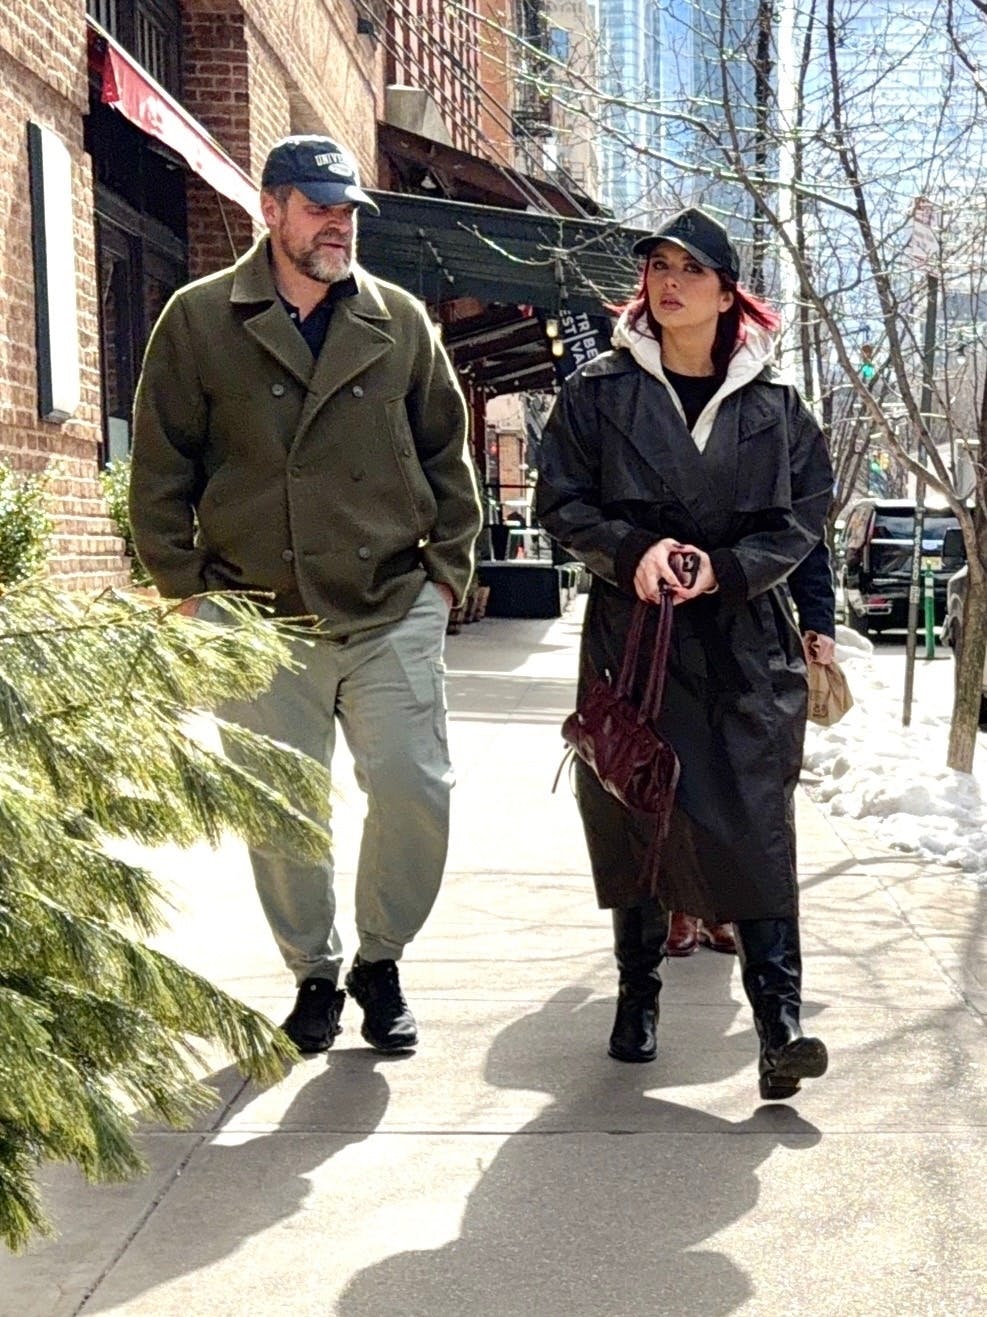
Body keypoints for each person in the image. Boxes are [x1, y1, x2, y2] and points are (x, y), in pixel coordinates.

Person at [130, 135, 482, 1056]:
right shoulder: (199, 318)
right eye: (321, 206)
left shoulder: (399, 320)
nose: (339, 224)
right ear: (271, 208)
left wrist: (444, 577)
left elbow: (449, 455)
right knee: (281, 809)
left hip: (387, 602)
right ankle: (315, 975)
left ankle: (382, 959)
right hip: (256, 614)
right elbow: (160, 465)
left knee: (415, 784)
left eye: (349, 210)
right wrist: (185, 592)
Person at [535, 207, 834, 1101]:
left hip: (744, 640)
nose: (669, 284)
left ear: (726, 291)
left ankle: (779, 1023)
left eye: (690, 271)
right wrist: (637, 555)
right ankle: (637, 995)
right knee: (639, 806)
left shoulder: (776, 406)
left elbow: (801, 520)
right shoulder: (597, 392)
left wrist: (729, 568)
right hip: (637, 636)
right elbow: (562, 502)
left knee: (754, 819)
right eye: (658, 267)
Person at [664, 539, 837, 958]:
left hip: (755, 631)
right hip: (675, 627)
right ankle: (682, 904)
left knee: (739, 783)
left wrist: (818, 620)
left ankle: (723, 907)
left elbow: (803, 538)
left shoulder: (778, 472)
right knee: (678, 777)